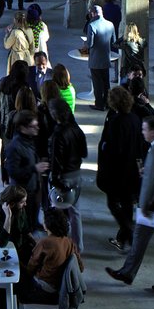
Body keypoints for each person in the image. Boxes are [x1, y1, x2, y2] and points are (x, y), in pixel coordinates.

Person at [105, 115, 154, 297]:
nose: (142, 132)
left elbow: (151, 184)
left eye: (144, 129)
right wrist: (149, 171)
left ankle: (126, 273)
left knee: (139, 239)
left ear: (153, 132)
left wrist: (144, 205)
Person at [97, 85, 147, 252]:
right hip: (133, 169)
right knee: (127, 204)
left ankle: (129, 233)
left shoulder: (116, 121)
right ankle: (125, 237)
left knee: (112, 203)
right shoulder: (134, 119)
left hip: (119, 171)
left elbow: (113, 149)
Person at [21, 206, 84, 306]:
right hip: (61, 290)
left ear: (47, 224)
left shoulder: (45, 243)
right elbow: (80, 267)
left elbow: (30, 269)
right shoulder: (68, 241)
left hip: (44, 291)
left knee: (15, 275)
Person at [47, 96, 87, 244]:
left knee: (56, 214)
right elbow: (84, 153)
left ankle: (57, 245)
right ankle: (78, 245)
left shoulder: (58, 134)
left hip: (63, 177)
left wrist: (55, 180)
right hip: (76, 174)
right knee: (75, 213)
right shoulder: (76, 129)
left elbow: (56, 161)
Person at [4, 110, 50, 230]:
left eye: (37, 125)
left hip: (33, 189)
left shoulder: (29, 140)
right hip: (23, 194)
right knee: (23, 228)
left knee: (31, 223)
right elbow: (13, 173)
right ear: (22, 128)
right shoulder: (15, 147)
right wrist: (34, 168)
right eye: (33, 126)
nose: (37, 128)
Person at [84, 5, 115, 110]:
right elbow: (113, 41)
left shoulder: (92, 25)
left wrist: (85, 42)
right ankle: (108, 103)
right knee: (106, 83)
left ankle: (99, 104)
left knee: (97, 83)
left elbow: (89, 44)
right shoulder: (110, 24)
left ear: (93, 13)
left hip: (95, 59)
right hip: (106, 58)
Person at [116, 22, 147, 87]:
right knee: (138, 89)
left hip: (127, 70)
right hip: (139, 69)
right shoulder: (142, 41)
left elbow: (114, 44)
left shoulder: (125, 44)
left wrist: (123, 37)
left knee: (123, 90)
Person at [2, 11, 34, 76]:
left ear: (16, 20)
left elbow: (7, 45)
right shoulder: (30, 30)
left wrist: (7, 34)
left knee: (16, 76)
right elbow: (32, 46)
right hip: (27, 56)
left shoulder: (15, 32)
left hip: (16, 57)